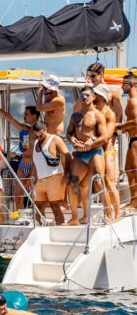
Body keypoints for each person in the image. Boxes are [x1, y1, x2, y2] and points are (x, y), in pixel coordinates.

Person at [0, 97, 39, 210]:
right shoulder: (24, 129)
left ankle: (35, 219)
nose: (24, 116)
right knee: (17, 196)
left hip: (35, 165)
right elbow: (8, 117)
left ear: (34, 116)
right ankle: (21, 219)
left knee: (34, 196)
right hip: (23, 164)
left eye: (26, 114)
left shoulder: (41, 132)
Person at [65, 86, 107, 225]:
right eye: (82, 96)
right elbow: (69, 133)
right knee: (74, 184)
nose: (85, 98)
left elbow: (104, 137)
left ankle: (109, 214)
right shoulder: (75, 116)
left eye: (87, 95)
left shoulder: (98, 115)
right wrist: (72, 140)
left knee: (100, 182)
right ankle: (75, 217)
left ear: (93, 97)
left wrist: (92, 140)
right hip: (81, 154)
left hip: (95, 151)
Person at [31, 121, 72, 225]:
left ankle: (60, 231)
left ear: (45, 130)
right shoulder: (36, 142)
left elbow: (67, 155)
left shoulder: (55, 139)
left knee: (55, 207)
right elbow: (36, 163)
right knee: (37, 207)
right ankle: (40, 229)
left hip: (55, 177)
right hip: (40, 179)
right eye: (37, 136)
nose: (39, 138)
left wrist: (67, 174)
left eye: (41, 135)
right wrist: (33, 179)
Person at [92, 84, 120, 221]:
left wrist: (91, 141)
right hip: (96, 150)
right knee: (98, 183)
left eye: (95, 94)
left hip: (107, 150)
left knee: (109, 182)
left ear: (101, 97)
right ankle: (108, 211)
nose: (93, 96)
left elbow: (107, 135)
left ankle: (117, 213)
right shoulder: (93, 111)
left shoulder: (109, 113)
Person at [119, 71, 137, 209]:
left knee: (134, 171)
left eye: (123, 83)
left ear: (131, 85)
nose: (121, 86)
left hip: (136, 139)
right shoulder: (131, 99)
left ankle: (135, 202)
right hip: (132, 138)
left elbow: (136, 121)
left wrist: (119, 126)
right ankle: (133, 200)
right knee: (128, 170)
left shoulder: (133, 100)